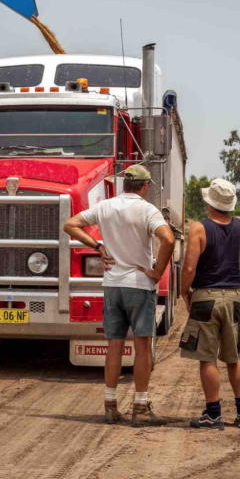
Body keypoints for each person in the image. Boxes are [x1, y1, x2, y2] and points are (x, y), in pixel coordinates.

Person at [64, 164, 175, 427]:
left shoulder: (105, 207)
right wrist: (158, 271)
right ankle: (140, 406)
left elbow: (71, 225)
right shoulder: (148, 210)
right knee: (141, 346)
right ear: (146, 186)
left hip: (112, 284)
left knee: (114, 345)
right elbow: (168, 240)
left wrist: (97, 245)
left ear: (124, 184)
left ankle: (110, 405)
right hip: (139, 284)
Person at [179, 178, 240, 430]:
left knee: (207, 357)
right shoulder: (239, 226)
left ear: (208, 202)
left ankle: (213, 414)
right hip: (233, 296)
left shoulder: (199, 229)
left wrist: (184, 292)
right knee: (234, 357)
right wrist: (238, 221)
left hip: (207, 297)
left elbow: (189, 267)